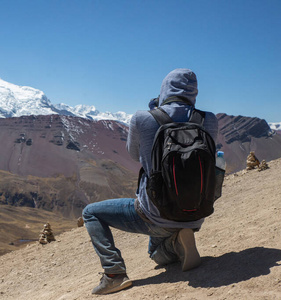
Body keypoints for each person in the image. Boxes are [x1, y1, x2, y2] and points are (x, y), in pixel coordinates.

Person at [82, 68, 218, 295]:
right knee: (155, 252)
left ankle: (114, 274)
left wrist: (153, 112)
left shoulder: (143, 118)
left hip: (155, 212)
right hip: (197, 211)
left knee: (90, 212)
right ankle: (176, 241)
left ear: (165, 89)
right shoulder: (208, 120)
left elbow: (135, 155)